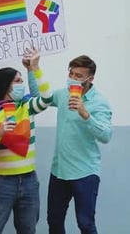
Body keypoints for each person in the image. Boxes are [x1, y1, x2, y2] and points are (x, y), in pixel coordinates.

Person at [0, 48, 52, 234]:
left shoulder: (26, 106)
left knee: (28, 229)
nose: (21, 84)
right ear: (5, 85)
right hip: (2, 182)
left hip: (29, 179)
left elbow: (46, 98)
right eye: (17, 81)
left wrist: (34, 68)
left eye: (21, 81)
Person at [45, 55, 112, 234]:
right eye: (71, 73)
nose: (73, 78)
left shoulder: (100, 102)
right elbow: (42, 96)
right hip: (59, 171)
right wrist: (32, 69)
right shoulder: (62, 94)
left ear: (90, 79)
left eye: (79, 76)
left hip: (85, 172)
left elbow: (106, 135)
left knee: (85, 223)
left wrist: (85, 113)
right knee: (54, 221)